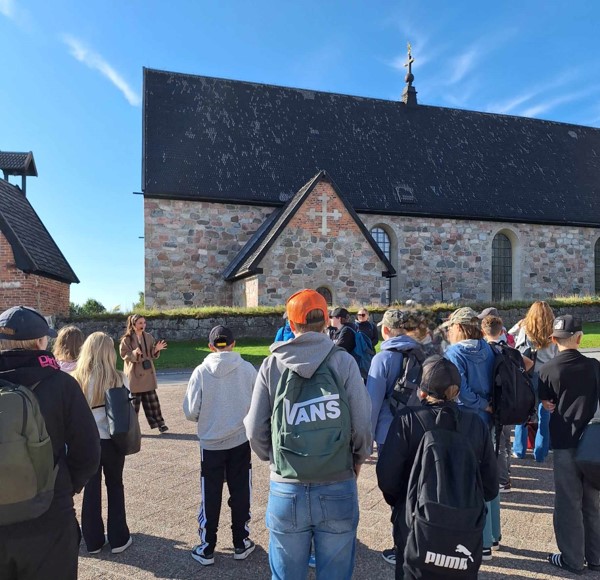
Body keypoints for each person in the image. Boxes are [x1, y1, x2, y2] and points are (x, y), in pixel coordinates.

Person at [245, 289, 372, 580]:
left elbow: (254, 427)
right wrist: (357, 459)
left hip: (286, 485)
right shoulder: (343, 362)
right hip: (338, 481)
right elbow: (363, 423)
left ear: (291, 324)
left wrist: (274, 457)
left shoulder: (272, 364)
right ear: (326, 320)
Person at [0, 306, 100, 580]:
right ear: (41, 342)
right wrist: (65, 485)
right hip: (49, 517)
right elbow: (89, 453)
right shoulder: (62, 385)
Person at [377, 355, 498, 580]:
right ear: (457, 391)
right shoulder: (476, 424)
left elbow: (387, 477)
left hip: (415, 520)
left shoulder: (407, 419)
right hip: (464, 524)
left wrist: (404, 502)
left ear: (422, 392)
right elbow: (490, 485)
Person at [183, 325, 258, 566]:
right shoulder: (247, 370)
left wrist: (207, 417)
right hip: (239, 440)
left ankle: (207, 546)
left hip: (211, 442)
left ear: (211, 346)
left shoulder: (201, 371)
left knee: (210, 493)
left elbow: (190, 410)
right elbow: (257, 405)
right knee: (240, 491)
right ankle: (241, 541)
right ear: (234, 344)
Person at [539, 315, 600, 575]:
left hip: (565, 440)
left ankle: (572, 559)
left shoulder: (547, 369)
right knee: (593, 502)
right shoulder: (595, 366)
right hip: (593, 442)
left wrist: (546, 404)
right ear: (579, 338)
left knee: (568, 502)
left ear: (554, 339)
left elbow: (547, 402)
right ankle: (596, 557)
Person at [365, 309, 424, 566]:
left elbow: (372, 402)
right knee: (417, 487)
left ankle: (401, 546)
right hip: (421, 430)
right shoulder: (424, 353)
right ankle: (421, 538)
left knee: (394, 489)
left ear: (386, 330)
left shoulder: (383, 358)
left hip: (390, 432)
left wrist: (365, 440)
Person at [443, 307, 500, 560]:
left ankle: (480, 540)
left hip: (466, 418)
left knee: (469, 478)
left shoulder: (454, 352)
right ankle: (493, 535)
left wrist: (478, 403)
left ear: (458, 327)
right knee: (488, 472)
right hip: (487, 417)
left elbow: (460, 391)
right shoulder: (487, 347)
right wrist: (486, 404)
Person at [73, 332, 132, 555]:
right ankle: (119, 538)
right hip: (112, 441)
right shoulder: (119, 378)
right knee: (115, 486)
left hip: (87, 442)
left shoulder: (76, 378)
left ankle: (93, 540)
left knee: (91, 490)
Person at [481, 315, 534, 493]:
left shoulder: (486, 352)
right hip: (510, 399)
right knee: (505, 441)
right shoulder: (509, 349)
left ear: (483, 331)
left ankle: (503, 480)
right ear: (501, 330)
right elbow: (529, 363)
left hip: (494, 400)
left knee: (497, 442)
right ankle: (507, 473)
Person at [511, 301, 557, 462]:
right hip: (548, 376)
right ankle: (541, 452)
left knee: (522, 415)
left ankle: (519, 449)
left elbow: (515, 347)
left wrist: (518, 325)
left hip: (528, 376)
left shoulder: (526, 330)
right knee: (545, 416)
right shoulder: (554, 332)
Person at [119, 314, 169, 432]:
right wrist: (134, 353)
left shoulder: (148, 337)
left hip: (147, 374)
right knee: (133, 406)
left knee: (153, 403)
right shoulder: (126, 339)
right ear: (133, 324)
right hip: (134, 375)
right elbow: (124, 355)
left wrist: (156, 349)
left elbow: (151, 354)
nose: (143, 325)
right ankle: (131, 428)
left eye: (144, 323)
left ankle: (160, 424)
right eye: (140, 323)